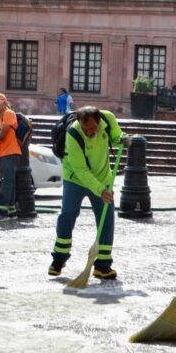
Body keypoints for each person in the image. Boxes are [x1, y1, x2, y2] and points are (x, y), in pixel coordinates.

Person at [48, 106, 130, 279]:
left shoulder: (108, 118)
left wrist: (122, 139)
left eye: (93, 128)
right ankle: (59, 258)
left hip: (102, 177)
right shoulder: (73, 133)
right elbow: (81, 170)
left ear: (99, 121)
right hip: (75, 178)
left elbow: (115, 136)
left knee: (106, 219)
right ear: (79, 123)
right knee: (67, 214)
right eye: (86, 130)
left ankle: (103, 264)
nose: (90, 133)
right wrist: (100, 190)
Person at [0, 93, 22, 222]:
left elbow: (3, 133)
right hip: (6, 152)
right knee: (9, 183)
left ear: (4, 102)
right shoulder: (1, 116)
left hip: (10, 152)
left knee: (5, 183)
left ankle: (1, 213)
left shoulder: (8, 113)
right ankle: (11, 212)